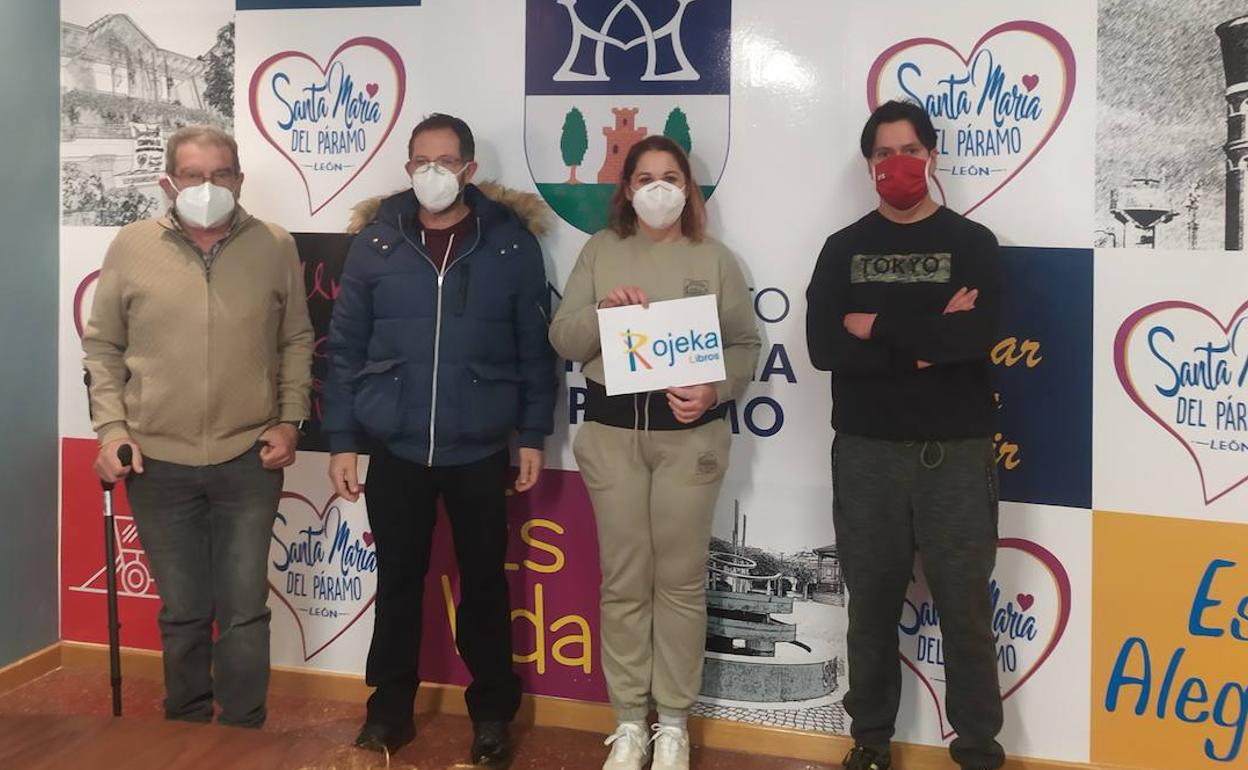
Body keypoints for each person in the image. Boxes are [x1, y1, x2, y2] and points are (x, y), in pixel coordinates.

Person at [323, 113, 556, 765]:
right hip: (394, 446)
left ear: (469, 170)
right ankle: (389, 712)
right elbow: (343, 350)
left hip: (479, 446)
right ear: (407, 169)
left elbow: (534, 350)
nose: (432, 173)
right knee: (399, 582)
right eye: (419, 161)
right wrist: (343, 439)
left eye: (444, 161)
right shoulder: (376, 243)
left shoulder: (510, 244)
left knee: (485, 584)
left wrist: (532, 433)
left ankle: (491, 718)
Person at [83, 125, 313, 728]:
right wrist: (112, 432)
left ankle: (240, 738)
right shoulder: (131, 247)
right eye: (192, 175)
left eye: (220, 175)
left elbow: (295, 340)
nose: (207, 187)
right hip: (156, 463)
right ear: (168, 181)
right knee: (182, 610)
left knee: (243, 610)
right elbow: (103, 348)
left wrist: (290, 421)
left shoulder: (274, 245)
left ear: (238, 179)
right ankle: (183, 730)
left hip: (247, 458)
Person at [549, 135, 761, 770]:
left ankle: (673, 723)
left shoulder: (716, 259)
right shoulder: (600, 251)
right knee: (623, 581)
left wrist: (716, 388)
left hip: (689, 442)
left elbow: (746, 346)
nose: (659, 188)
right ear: (627, 189)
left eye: (672, 176)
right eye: (645, 177)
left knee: (680, 582)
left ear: (689, 189)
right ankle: (628, 722)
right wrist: (600, 312)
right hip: (613, 438)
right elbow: (564, 338)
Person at [805, 99, 1005, 770]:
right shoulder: (842, 249)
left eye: (910, 150)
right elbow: (822, 346)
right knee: (871, 608)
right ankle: (870, 743)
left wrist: (877, 325)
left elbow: (974, 337)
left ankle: (978, 747)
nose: (899, 163)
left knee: (966, 612)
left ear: (933, 157)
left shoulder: (974, 244)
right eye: (885, 153)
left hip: (955, 453)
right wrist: (928, 342)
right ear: (870, 166)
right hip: (866, 455)